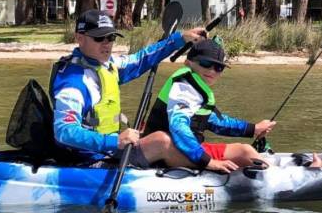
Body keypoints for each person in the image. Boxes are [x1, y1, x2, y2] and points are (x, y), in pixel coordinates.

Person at [143, 39, 322, 173]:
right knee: (164, 139)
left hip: (186, 148)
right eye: (206, 64)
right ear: (188, 63)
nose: (212, 71)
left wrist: (253, 129)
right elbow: (178, 127)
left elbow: (215, 122)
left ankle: (286, 172)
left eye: (219, 68)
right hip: (168, 152)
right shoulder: (183, 87)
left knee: (245, 150)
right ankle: (302, 177)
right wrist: (209, 163)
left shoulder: (196, 87)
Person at [51, 9, 206, 167]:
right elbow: (64, 131)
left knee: (167, 134)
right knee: (161, 141)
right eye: (99, 38)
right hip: (88, 161)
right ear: (79, 38)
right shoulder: (72, 83)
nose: (107, 44)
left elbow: (141, 60)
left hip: (109, 150)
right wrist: (115, 141)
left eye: (110, 37)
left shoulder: (106, 65)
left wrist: (180, 39)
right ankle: (210, 166)